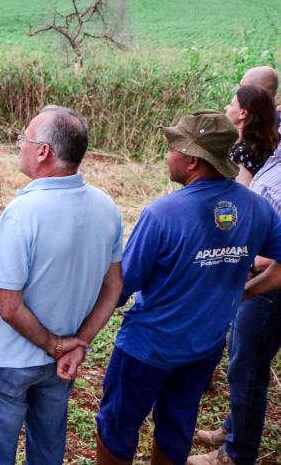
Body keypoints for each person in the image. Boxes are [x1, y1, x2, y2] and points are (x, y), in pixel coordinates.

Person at [95, 110, 281, 465]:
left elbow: (121, 286)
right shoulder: (256, 207)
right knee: (177, 424)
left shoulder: (162, 213)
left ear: (192, 160)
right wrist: (244, 292)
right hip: (203, 347)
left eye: (172, 148)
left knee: (118, 423)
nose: (168, 156)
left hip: (146, 348)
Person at [0, 106, 124, 465]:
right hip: (61, 363)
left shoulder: (23, 212)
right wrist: (79, 343)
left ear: (43, 151)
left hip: (10, 361)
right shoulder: (107, 206)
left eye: (24, 138)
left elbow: (9, 306)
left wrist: (55, 345)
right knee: (47, 452)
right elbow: (113, 288)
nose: (19, 144)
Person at [188, 68, 281, 465]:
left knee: (246, 363)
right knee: (243, 357)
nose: (228, 106)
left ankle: (237, 453)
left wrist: (248, 273)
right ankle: (233, 427)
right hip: (259, 275)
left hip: (268, 286)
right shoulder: (269, 150)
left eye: (233, 102)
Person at [224, 84, 278, 186]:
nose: (226, 108)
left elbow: (245, 193)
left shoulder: (244, 154)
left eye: (231, 105)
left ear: (243, 113)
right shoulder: (268, 143)